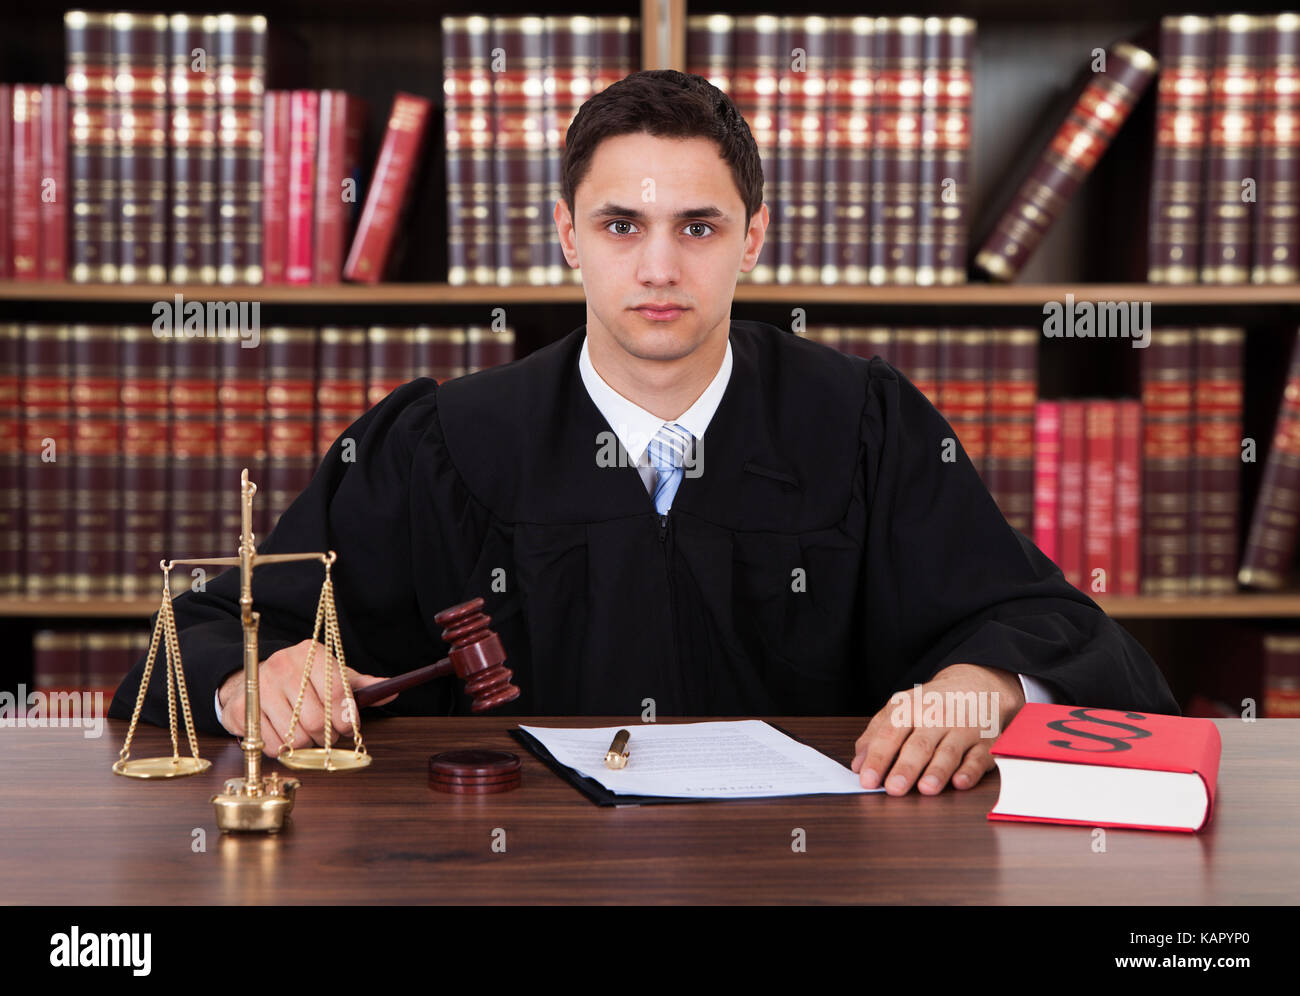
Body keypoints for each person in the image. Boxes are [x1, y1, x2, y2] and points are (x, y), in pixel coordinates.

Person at [110, 70, 1178, 796]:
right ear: (568, 234)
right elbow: (198, 631)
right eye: (622, 225)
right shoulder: (442, 441)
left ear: (752, 239)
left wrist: (986, 688)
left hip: (811, 894)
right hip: (507, 890)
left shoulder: (859, 423)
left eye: (698, 227)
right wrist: (248, 679)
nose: (658, 269)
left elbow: (1047, 625)